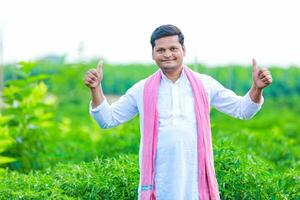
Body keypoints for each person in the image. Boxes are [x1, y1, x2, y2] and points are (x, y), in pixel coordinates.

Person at [84, 24, 272, 200]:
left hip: (196, 182)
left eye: (173, 48)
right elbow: (107, 120)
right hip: (159, 181)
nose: (167, 54)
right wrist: (96, 89)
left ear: (184, 50)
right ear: (153, 54)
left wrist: (257, 88)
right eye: (161, 50)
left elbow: (242, 110)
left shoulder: (205, 84)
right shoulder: (142, 89)